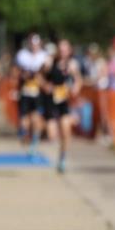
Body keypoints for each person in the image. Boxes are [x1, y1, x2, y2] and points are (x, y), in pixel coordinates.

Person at [42, 38, 82, 173]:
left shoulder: (72, 65)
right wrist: (45, 85)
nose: (63, 52)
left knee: (66, 132)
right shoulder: (49, 62)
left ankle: (62, 158)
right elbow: (39, 77)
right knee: (52, 135)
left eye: (65, 50)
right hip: (51, 100)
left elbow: (78, 80)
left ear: (69, 51)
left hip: (64, 101)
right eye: (61, 49)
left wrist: (75, 88)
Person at [12, 33, 49, 157]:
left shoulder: (44, 56)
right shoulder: (22, 55)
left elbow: (46, 73)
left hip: (37, 93)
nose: (34, 46)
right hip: (25, 92)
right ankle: (26, 138)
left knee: (36, 118)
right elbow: (16, 72)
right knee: (24, 121)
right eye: (32, 44)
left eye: (36, 44)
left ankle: (34, 142)